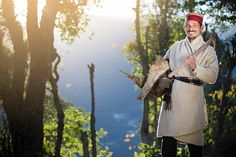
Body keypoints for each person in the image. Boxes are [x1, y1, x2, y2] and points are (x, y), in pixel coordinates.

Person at [156, 12, 219, 157]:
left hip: (193, 98)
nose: (191, 28)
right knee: (168, 140)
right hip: (173, 98)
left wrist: (196, 68)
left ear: (201, 27)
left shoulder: (209, 51)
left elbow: (213, 76)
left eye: (195, 25)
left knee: (195, 145)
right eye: (188, 25)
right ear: (185, 27)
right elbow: (162, 67)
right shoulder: (176, 47)